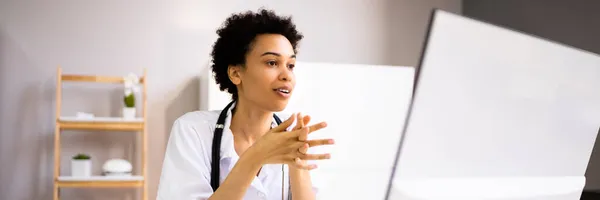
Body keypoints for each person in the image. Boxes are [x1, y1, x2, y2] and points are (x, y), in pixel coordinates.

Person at [156, 9, 335, 200]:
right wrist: (256, 156)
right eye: (272, 62)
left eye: (290, 65)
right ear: (235, 74)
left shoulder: (295, 138)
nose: (287, 75)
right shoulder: (193, 130)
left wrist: (297, 165)